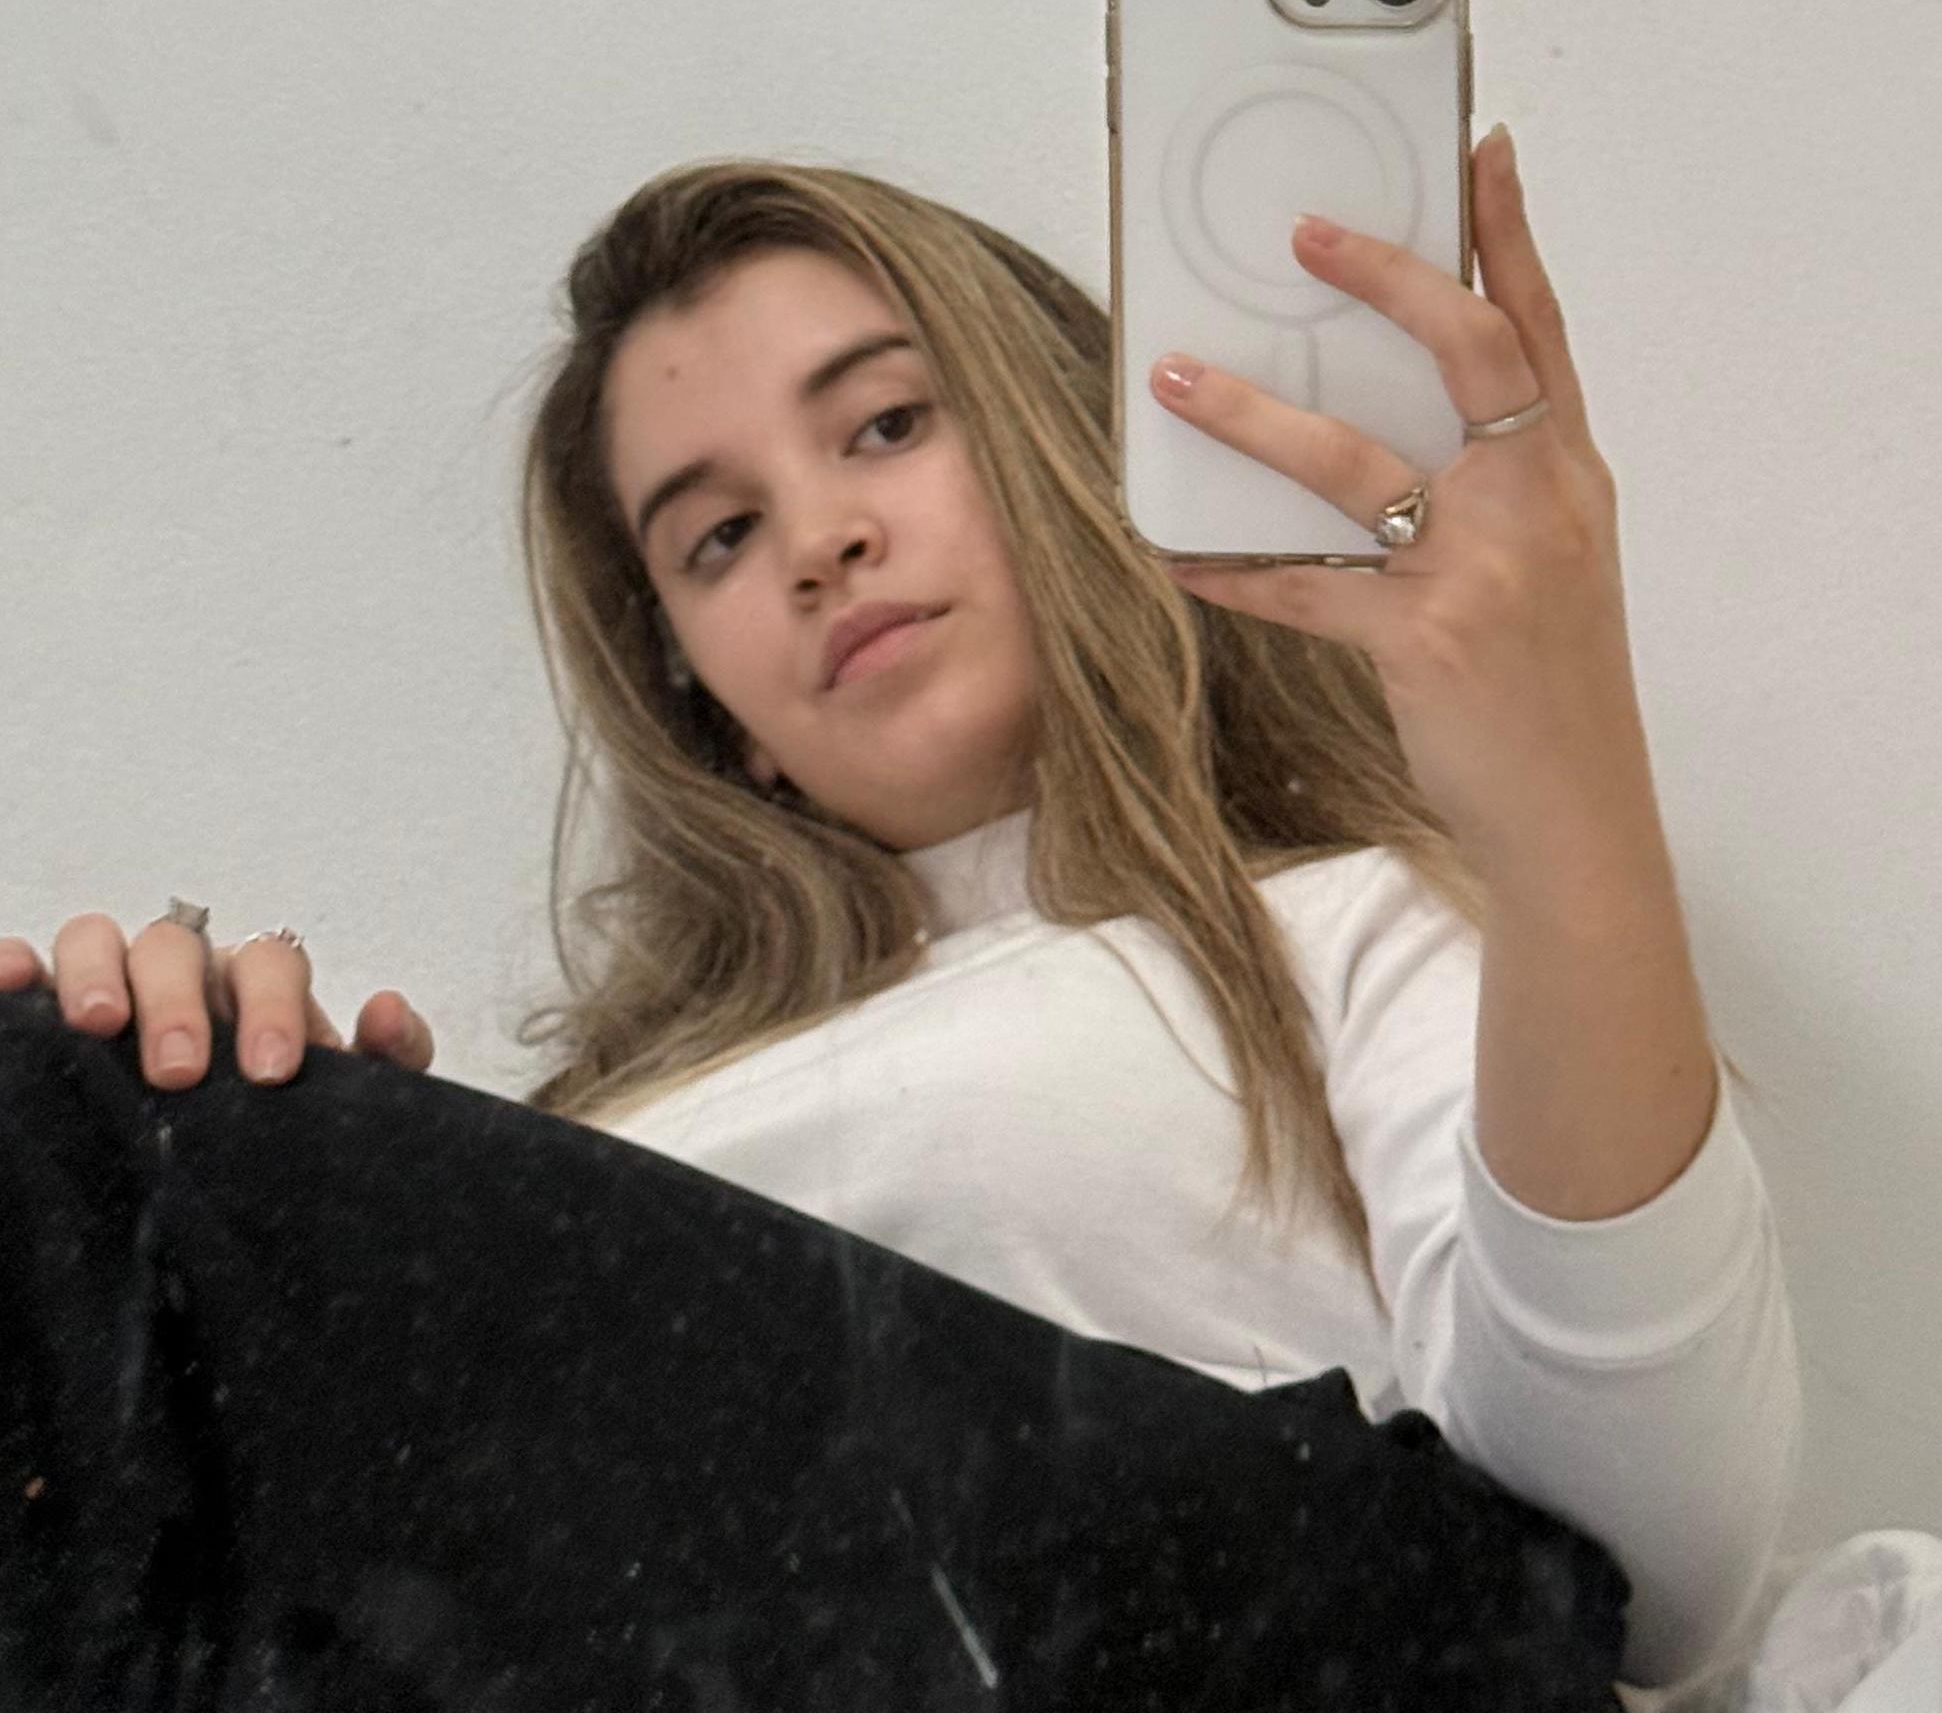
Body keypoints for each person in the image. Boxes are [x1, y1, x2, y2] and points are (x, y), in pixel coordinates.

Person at [0, 123, 1800, 1707]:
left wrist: (1564, 774)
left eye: (883, 425)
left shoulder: (1340, 929)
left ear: (1067, 445)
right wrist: (275, 1195)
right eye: (716, 538)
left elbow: (1624, 1573)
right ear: (706, 703)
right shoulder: (617, 1136)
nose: (817, 541)